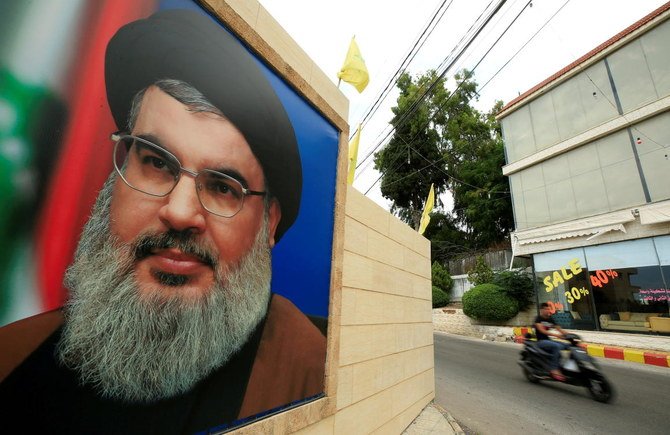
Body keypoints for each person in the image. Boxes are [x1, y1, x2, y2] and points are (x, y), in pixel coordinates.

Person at [0, 9, 326, 434]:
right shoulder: (11, 357)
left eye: (223, 186)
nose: (179, 211)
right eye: (156, 163)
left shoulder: (310, 373)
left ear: (269, 224)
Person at [534, 302, 569, 381]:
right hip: (541, 342)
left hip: (548, 341)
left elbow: (559, 329)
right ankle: (553, 369)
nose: (548, 311)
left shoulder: (551, 319)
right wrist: (556, 335)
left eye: (549, 309)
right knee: (556, 346)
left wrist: (570, 335)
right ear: (541, 310)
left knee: (567, 345)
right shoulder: (538, 319)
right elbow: (542, 331)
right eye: (546, 309)